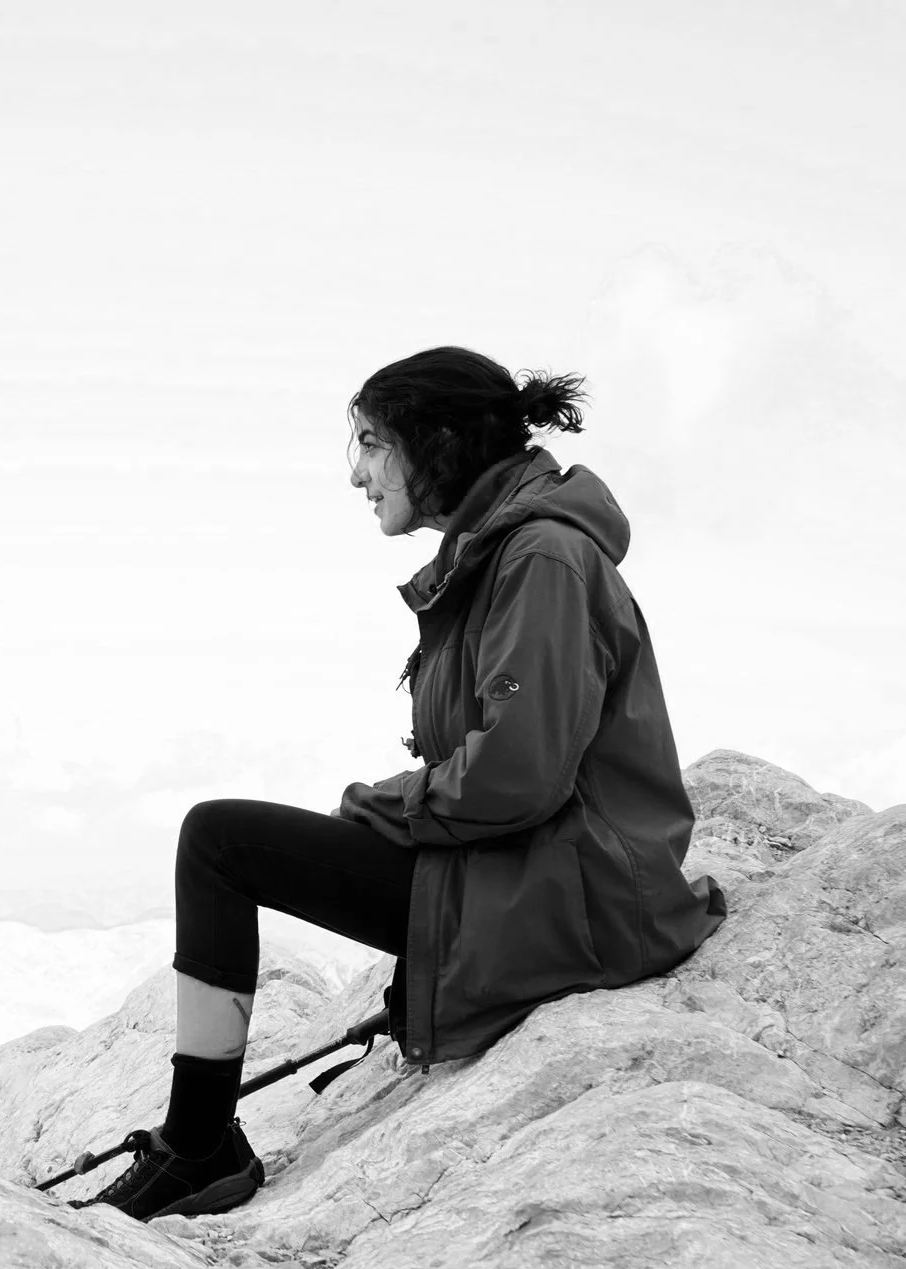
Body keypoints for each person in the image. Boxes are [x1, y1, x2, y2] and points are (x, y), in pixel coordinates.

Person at [88, 347, 724, 1221]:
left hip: (576, 897)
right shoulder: (500, 548)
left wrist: (388, 804)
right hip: (542, 875)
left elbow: (520, 774)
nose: (358, 473)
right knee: (243, 840)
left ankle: (197, 1144)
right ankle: (207, 1134)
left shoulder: (539, 558)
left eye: (373, 444)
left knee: (219, 841)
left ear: (442, 443)